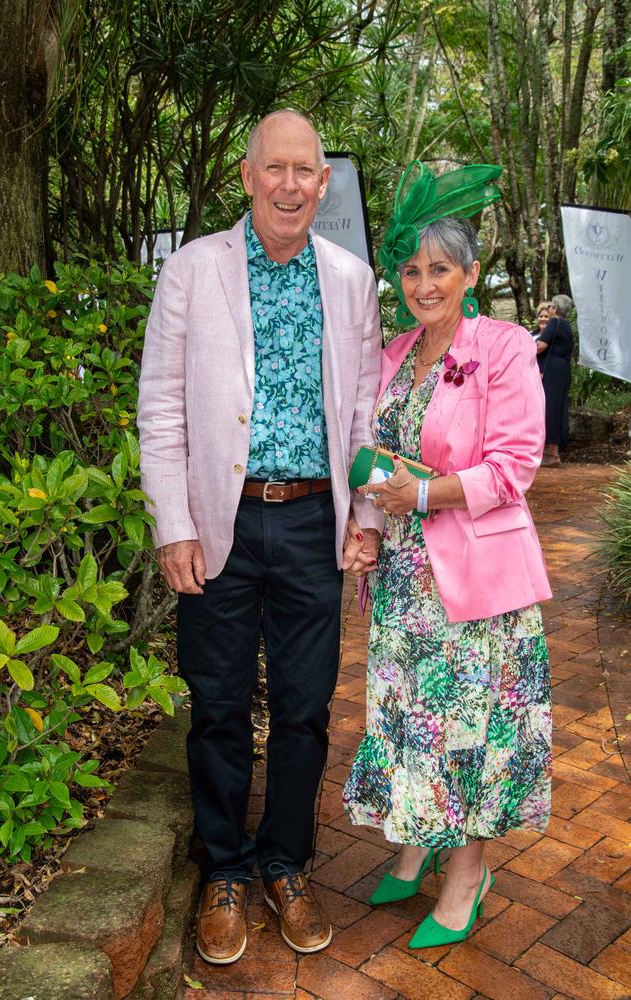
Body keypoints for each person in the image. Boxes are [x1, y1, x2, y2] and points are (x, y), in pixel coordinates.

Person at [137, 110, 382, 965]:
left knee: (309, 708)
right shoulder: (193, 270)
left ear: (323, 184)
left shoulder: (351, 279)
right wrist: (175, 524)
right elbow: (161, 406)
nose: (288, 185)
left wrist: (369, 518)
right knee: (218, 705)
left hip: (316, 518)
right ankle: (226, 871)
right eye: (272, 169)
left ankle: (286, 864)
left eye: (303, 171)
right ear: (248, 178)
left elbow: (365, 415)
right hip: (222, 517)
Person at [342, 161, 553, 949]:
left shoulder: (500, 346)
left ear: (469, 273)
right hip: (402, 581)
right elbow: (372, 457)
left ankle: (469, 873)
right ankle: (416, 838)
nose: (423, 283)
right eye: (411, 268)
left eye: (440, 269)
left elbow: (513, 467)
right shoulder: (396, 352)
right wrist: (366, 527)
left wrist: (422, 496)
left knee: (469, 727)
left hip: (477, 582)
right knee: (408, 721)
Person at [537, 293, 574, 467]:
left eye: (551, 307)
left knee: (547, 406)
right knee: (558, 407)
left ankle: (549, 454)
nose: (549, 309)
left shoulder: (555, 322)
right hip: (563, 369)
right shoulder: (566, 326)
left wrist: (520, 347)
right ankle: (553, 452)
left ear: (556, 309)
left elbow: (541, 345)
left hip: (551, 369)